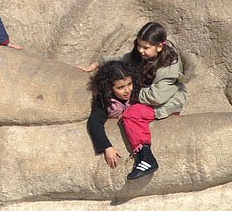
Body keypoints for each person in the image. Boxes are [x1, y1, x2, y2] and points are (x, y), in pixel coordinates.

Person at [79, 22, 187, 180]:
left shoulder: (169, 66)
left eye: (145, 47)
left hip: (164, 103)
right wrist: (99, 63)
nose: (140, 50)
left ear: (159, 47)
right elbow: (123, 60)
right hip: (145, 95)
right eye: (139, 45)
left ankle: (145, 157)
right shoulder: (140, 56)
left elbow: (156, 97)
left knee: (132, 114)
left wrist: (132, 93)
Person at [87, 60, 140, 169]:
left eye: (129, 84)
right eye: (120, 87)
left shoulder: (137, 93)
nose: (127, 90)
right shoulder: (105, 102)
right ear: (109, 88)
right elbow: (94, 123)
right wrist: (107, 147)